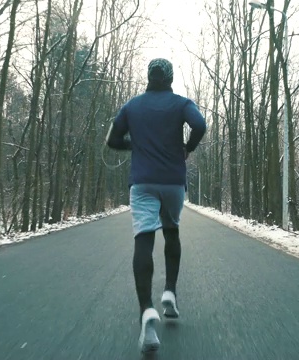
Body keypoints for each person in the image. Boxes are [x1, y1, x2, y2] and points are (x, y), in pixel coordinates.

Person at [106, 58, 206, 354]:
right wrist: (188, 148)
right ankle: (170, 293)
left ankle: (146, 310)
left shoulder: (132, 106)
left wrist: (133, 145)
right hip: (173, 181)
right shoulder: (181, 103)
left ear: (148, 77)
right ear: (170, 77)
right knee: (171, 232)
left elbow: (112, 139)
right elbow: (199, 125)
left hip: (143, 182)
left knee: (144, 239)